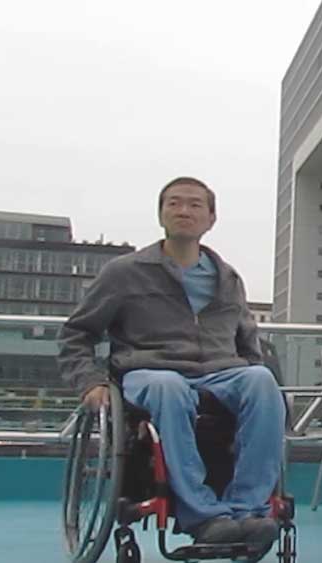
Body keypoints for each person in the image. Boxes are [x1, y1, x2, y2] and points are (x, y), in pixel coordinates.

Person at [57, 177, 286, 549]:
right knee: (169, 387)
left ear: (211, 218)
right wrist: (90, 381)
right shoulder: (124, 272)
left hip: (219, 371)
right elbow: (77, 334)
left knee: (261, 381)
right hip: (149, 370)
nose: (184, 211)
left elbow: (248, 342)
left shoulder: (227, 278)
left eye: (195, 205)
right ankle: (202, 515)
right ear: (161, 215)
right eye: (174, 203)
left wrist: (248, 371)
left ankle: (249, 510)